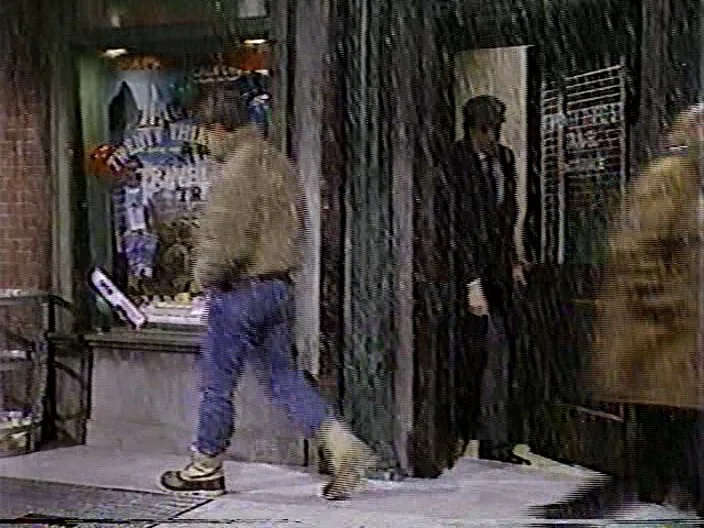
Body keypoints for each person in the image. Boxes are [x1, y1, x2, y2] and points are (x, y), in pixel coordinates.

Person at [159, 86, 374, 500]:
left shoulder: (235, 171)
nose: (203, 143)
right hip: (277, 287)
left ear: (218, 129)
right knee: (283, 378)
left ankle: (205, 466)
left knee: (217, 385)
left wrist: (202, 277)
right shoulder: (277, 161)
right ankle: (339, 442)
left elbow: (226, 243)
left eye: (203, 133)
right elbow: (299, 225)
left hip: (238, 291)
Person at [536, 104, 704, 519]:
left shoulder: (692, 181)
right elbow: (636, 251)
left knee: (666, 445)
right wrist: (668, 307)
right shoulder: (669, 177)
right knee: (674, 440)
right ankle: (585, 508)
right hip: (662, 339)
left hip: (681, 342)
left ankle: (587, 508)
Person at [444, 95, 530, 465]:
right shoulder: (455, 160)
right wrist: (471, 281)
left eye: (495, 129)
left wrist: (512, 257)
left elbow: (506, 213)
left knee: (501, 353)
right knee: (471, 356)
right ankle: (461, 433)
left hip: (498, 268)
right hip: (467, 270)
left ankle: (496, 440)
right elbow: (459, 225)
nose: (491, 137)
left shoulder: (504, 159)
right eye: (484, 130)